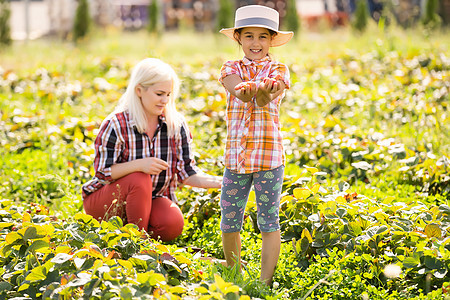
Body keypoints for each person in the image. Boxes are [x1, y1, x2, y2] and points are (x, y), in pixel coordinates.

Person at [82, 58, 222, 242]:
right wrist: (139, 165)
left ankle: (129, 232)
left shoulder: (175, 125)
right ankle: (136, 243)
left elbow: (186, 172)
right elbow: (102, 172)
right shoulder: (116, 124)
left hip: (151, 199)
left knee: (171, 222)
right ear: (139, 90)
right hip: (108, 201)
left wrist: (222, 181)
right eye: (159, 94)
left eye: (168, 94)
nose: (165, 100)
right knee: (139, 178)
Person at [218, 5, 293, 285]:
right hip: (236, 159)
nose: (256, 43)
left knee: (268, 221)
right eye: (248, 36)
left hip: (269, 160)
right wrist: (251, 90)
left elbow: (263, 101)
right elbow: (239, 91)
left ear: (271, 40)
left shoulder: (279, 69)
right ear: (238, 38)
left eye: (263, 37)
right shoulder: (230, 68)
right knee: (229, 218)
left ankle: (263, 282)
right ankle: (233, 271)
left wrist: (262, 92)